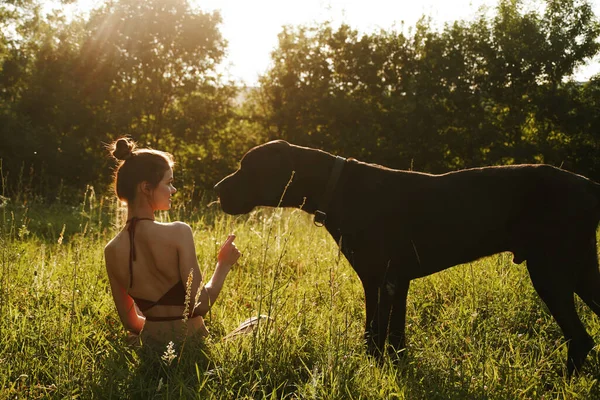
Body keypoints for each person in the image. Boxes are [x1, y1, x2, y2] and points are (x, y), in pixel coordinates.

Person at [104, 137, 241, 348]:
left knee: (139, 316)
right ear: (146, 188)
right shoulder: (179, 232)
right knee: (261, 321)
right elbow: (200, 304)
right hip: (194, 345)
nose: (174, 190)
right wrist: (224, 264)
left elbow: (130, 321)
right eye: (168, 183)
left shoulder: (111, 250)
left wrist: (159, 330)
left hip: (152, 348)